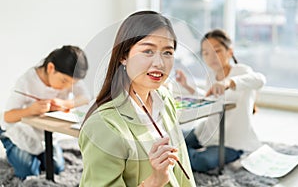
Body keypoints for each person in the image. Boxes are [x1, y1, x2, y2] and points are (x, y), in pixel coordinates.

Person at [79, 11, 196, 187]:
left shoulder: (164, 99)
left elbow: (183, 172)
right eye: (148, 51)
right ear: (123, 56)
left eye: (167, 53)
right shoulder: (102, 125)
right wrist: (155, 181)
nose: (159, 63)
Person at [176, 29, 266, 173]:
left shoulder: (242, 71)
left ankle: (178, 155)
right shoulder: (210, 76)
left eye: (216, 51)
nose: (211, 57)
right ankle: (179, 152)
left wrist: (228, 82)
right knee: (175, 136)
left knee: (202, 161)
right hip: (207, 131)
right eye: (206, 53)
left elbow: (260, 80)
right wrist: (187, 85)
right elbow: (210, 98)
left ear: (229, 52)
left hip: (231, 143)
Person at [0, 45, 91, 179]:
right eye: (64, 81)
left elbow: (85, 97)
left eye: (71, 84)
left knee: (57, 168)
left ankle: (38, 155)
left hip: (45, 134)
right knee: (28, 171)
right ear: (50, 68)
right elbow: (7, 117)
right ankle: (12, 148)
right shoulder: (26, 81)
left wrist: (65, 103)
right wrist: (30, 110)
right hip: (20, 132)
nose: (67, 87)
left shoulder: (69, 76)